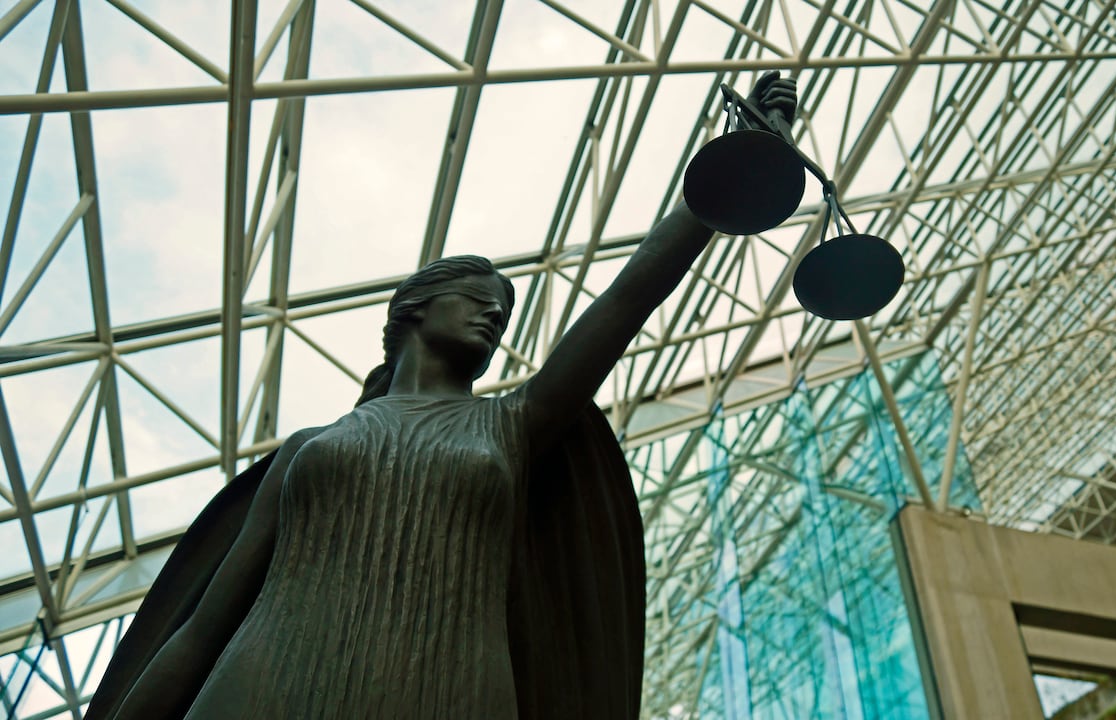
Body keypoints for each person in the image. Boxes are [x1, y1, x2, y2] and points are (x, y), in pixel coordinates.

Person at [85, 72, 797, 720]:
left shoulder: (512, 427)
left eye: (504, 313)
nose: (493, 317)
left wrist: (734, 173)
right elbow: (204, 626)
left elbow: (627, 297)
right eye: (477, 299)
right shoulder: (309, 448)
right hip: (265, 684)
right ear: (413, 310)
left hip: (448, 687)